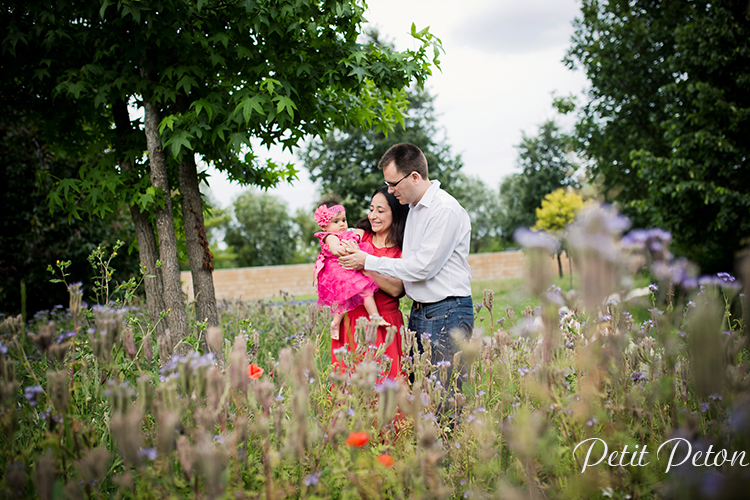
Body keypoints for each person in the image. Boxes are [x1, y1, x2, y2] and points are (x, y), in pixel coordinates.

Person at [338, 143, 474, 394]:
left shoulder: (443, 210)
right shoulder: (414, 208)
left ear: (414, 176)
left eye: (393, 184)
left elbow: (422, 268)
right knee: (418, 393)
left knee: (441, 396)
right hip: (422, 311)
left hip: (446, 310)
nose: (390, 190)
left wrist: (366, 262)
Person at [332, 187, 409, 380]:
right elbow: (329, 238)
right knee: (351, 393)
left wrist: (364, 266)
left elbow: (396, 289)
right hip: (352, 324)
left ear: (396, 213)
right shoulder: (360, 235)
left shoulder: (403, 247)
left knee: (388, 390)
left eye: (380, 211)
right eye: (371, 208)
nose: (373, 215)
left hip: (385, 325)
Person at [313, 196, 387, 340]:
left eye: (343, 220)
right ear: (324, 226)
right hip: (338, 269)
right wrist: (348, 248)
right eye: (336, 221)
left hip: (344, 267)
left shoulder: (345, 234)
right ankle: (375, 316)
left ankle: (336, 322)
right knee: (365, 288)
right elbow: (335, 250)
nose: (341, 224)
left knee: (344, 298)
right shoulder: (330, 236)